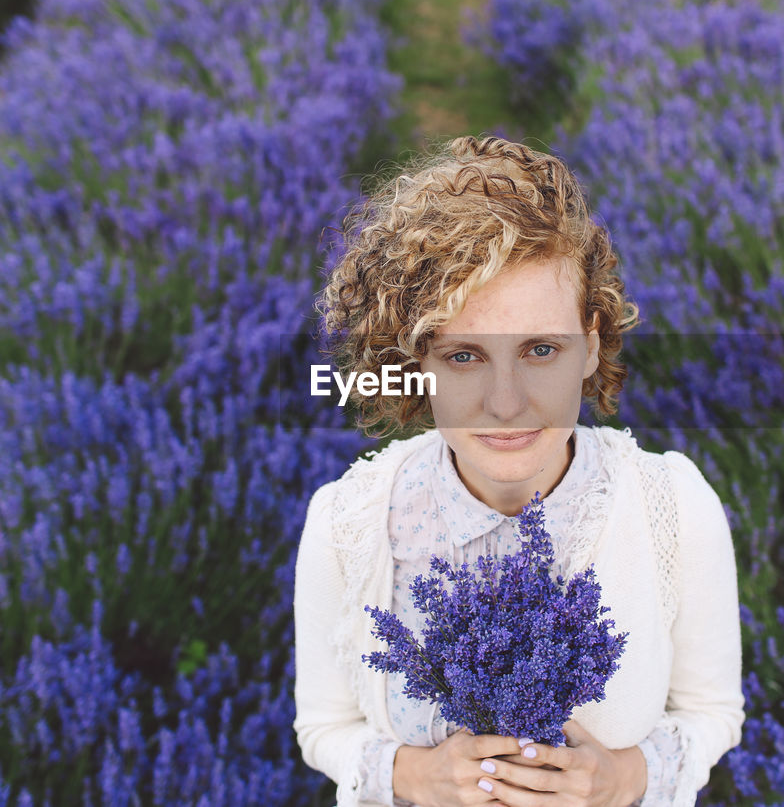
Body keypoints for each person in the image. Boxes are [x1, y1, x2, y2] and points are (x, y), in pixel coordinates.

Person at [293, 135, 744, 807]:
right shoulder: (348, 522)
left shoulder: (673, 508)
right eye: (465, 355)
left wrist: (627, 776)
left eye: (540, 349)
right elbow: (323, 726)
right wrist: (414, 775)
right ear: (417, 360)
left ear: (591, 343)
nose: (506, 403)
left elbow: (712, 712)